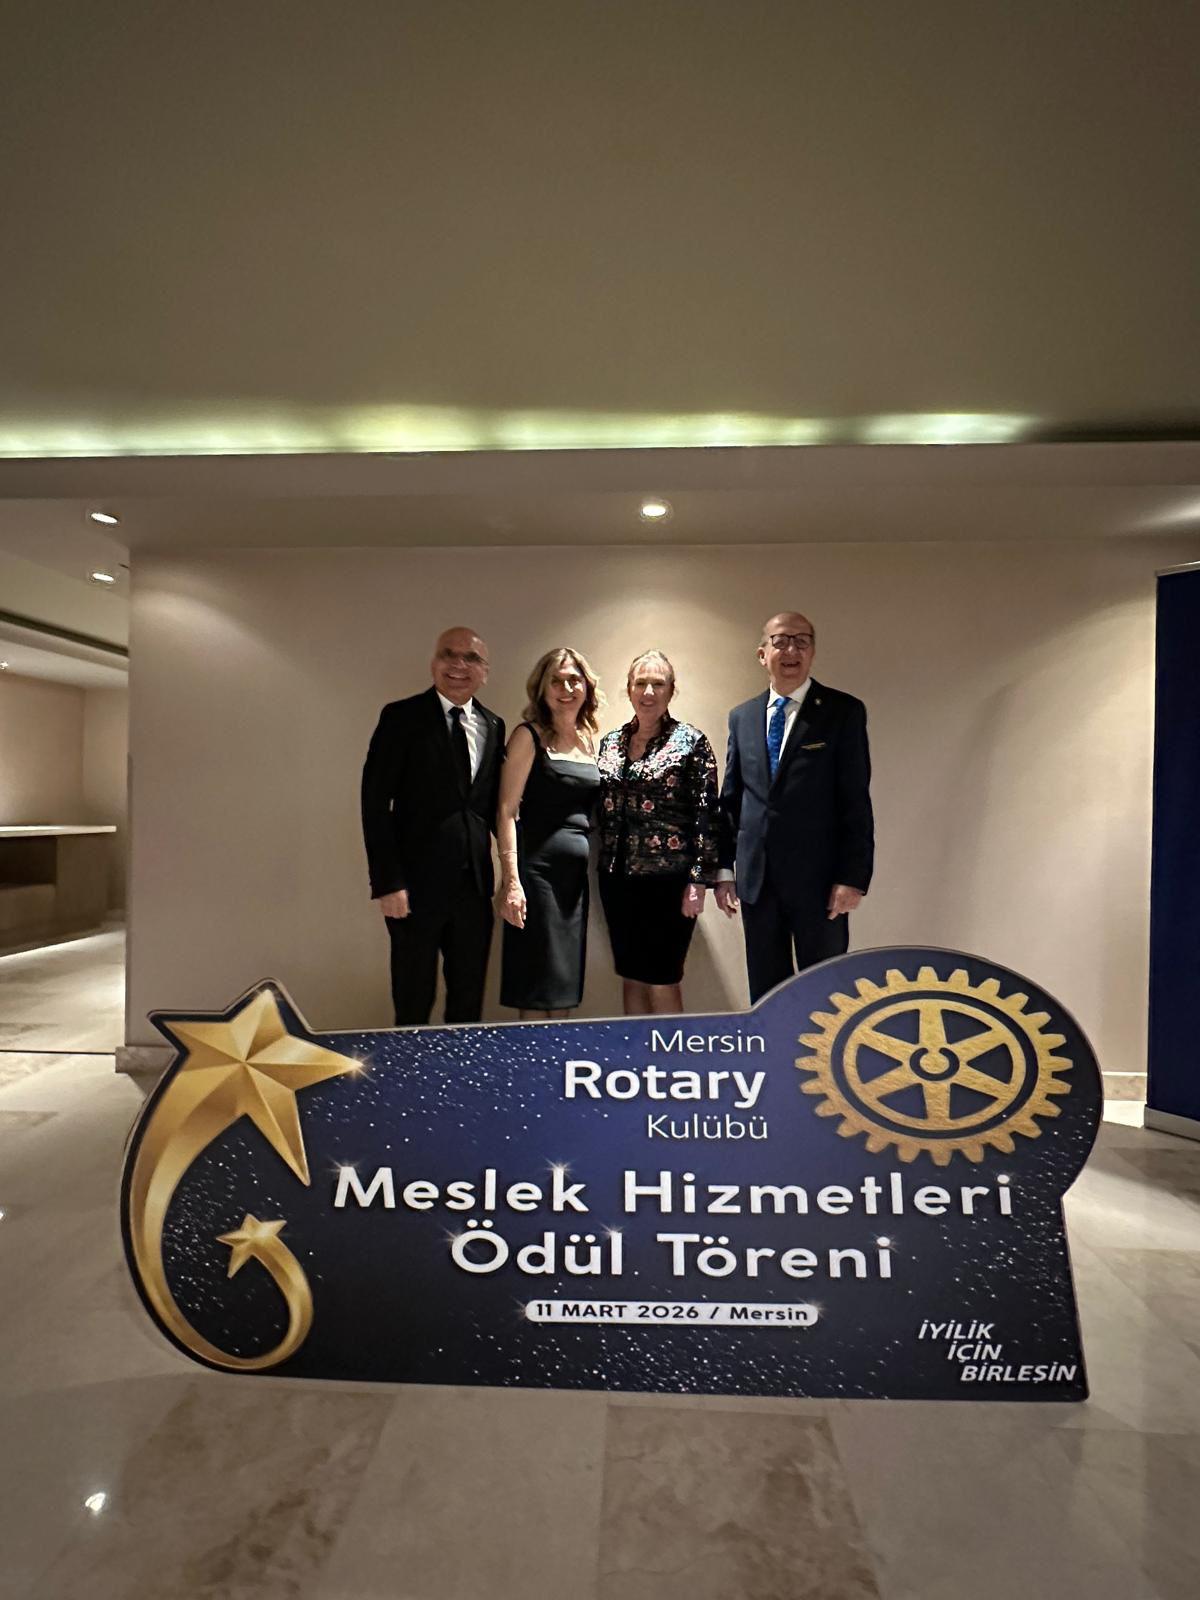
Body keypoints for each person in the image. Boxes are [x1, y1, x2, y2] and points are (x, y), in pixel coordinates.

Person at [716, 611, 873, 1002]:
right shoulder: (742, 717)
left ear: (813, 652)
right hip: (758, 881)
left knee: (826, 994)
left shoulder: (842, 712)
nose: (792, 650)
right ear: (762, 654)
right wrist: (723, 869)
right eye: (781, 641)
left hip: (820, 883)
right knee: (767, 994)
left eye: (802, 641)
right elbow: (732, 799)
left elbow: (855, 799)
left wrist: (852, 876)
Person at [361, 626, 505, 1026]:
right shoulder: (401, 717)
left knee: (468, 1003)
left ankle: (460, 1069)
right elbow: (374, 804)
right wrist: (388, 882)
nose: (459, 665)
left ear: (485, 671)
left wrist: (515, 876)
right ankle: (411, 1070)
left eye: (471, 658)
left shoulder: (494, 726)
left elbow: (494, 808)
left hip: (474, 889)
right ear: (433, 663)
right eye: (449, 654)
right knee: (413, 1001)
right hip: (413, 888)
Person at [597, 650, 719, 1015]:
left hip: (668, 882)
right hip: (616, 878)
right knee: (631, 974)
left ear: (671, 691)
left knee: (663, 976)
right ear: (629, 689)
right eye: (640, 683)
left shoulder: (691, 742)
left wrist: (698, 880)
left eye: (658, 684)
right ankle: (637, 1051)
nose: (648, 692)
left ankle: (668, 1051)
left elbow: (707, 813)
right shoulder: (611, 742)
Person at [498, 648, 602, 1018]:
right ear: (542, 688)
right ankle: (534, 1057)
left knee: (563, 986)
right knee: (536, 987)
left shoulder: (590, 740)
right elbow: (506, 811)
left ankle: (560, 1056)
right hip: (536, 877)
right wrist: (512, 883)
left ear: (587, 687)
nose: (566, 688)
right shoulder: (528, 736)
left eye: (574, 680)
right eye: (556, 681)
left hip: (573, 883)